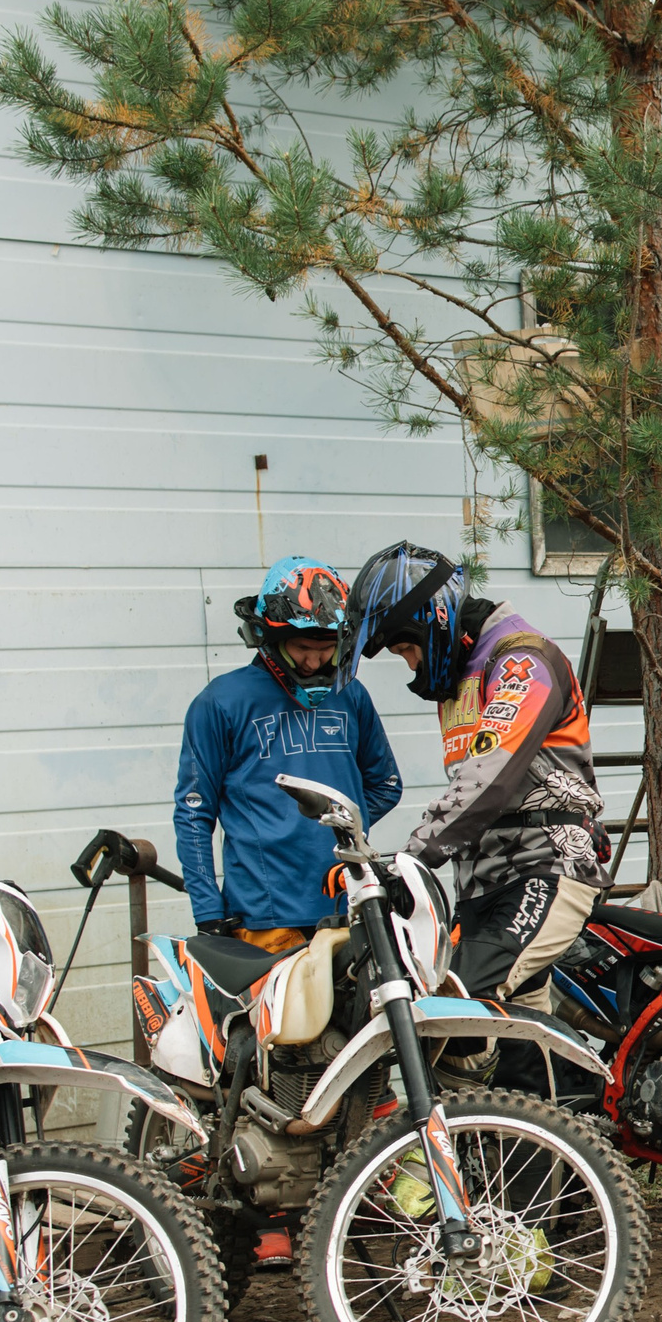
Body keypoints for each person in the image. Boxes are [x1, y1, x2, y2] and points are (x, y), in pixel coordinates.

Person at [176, 554, 404, 1267]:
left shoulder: (351, 698)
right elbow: (193, 812)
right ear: (270, 636)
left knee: (359, 1053)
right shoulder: (222, 702)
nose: (315, 655)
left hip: (344, 913)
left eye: (326, 643)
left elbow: (385, 782)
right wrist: (209, 909)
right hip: (262, 912)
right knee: (282, 1065)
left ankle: (354, 1202)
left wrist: (341, 837)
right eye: (302, 643)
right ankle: (271, 1208)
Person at [340, 543, 608, 1086]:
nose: (411, 664)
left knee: (457, 1003)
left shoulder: (521, 662)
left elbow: (488, 780)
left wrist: (407, 860)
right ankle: (550, 1155)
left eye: (405, 649)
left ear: (431, 619)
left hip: (547, 868)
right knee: (521, 1049)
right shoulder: (461, 678)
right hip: (484, 883)